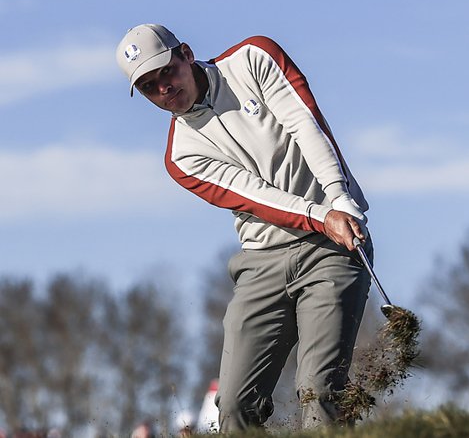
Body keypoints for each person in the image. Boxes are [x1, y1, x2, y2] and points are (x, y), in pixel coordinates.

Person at [115, 24, 372, 431]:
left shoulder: (253, 59)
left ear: (185, 52)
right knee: (235, 407)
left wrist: (338, 200)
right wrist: (320, 214)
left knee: (318, 391)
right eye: (148, 87)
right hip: (261, 265)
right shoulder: (182, 156)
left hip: (332, 248)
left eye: (165, 71)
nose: (163, 88)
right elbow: (256, 195)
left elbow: (307, 125)